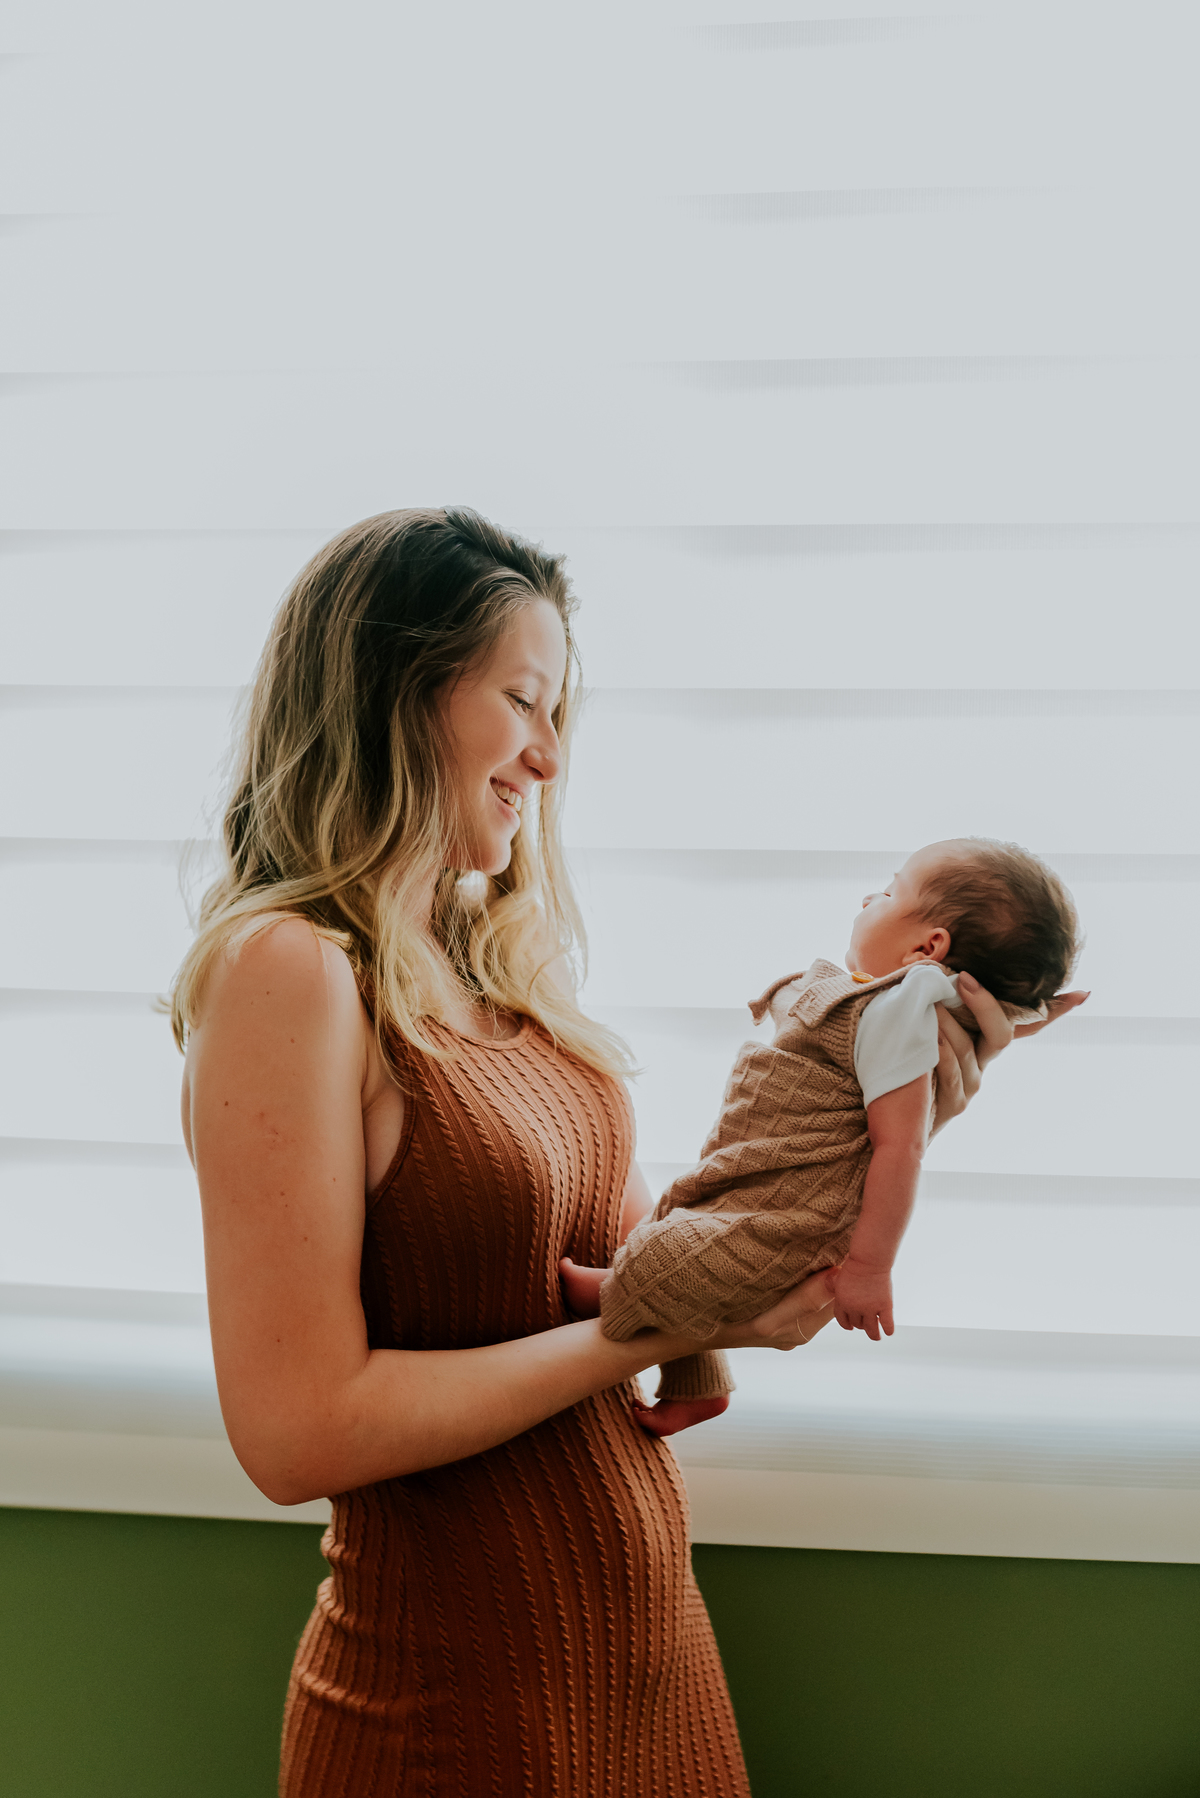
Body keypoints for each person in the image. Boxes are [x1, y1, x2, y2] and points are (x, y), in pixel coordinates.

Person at [172, 509, 1084, 1797]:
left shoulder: (500, 960)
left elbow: (620, 1232)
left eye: (561, 719)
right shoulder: (292, 970)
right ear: (400, 688)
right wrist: (647, 1330)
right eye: (524, 701)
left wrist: (905, 1083)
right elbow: (296, 1432)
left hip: (647, 1661)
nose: (547, 758)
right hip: (459, 1706)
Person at [563, 838, 1084, 1439]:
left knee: (668, 1262)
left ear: (928, 945)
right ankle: (698, 1386)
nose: (869, 897)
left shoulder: (904, 1005)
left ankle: (611, 1292)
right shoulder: (889, 1006)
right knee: (692, 1251)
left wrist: (869, 1268)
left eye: (889, 892)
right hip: (759, 1182)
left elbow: (899, 1146)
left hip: (792, 1215)